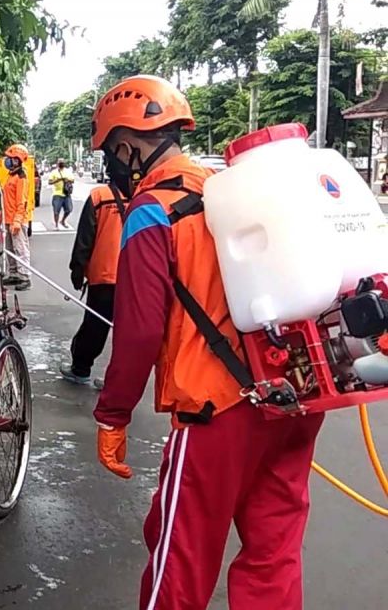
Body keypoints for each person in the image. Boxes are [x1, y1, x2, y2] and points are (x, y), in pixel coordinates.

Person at [90, 75, 324, 610]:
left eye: (111, 152)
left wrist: (113, 415)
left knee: (181, 558)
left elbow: (140, 330)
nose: (113, 164)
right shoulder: (226, 190)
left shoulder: (152, 210)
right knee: (274, 556)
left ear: (128, 146)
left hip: (217, 412)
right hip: (293, 395)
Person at [60, 183, 128, 385]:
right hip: (136, 278)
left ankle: (80, 369)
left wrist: (78, 268)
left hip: (105, 275)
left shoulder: (100, 196)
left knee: (94, 326)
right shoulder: (148, 192)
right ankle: (118, 381)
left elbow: (85, 237)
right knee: (129, 331)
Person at [0, 144, 31, 290]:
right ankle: (14, 274)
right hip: (8, 219)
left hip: (18, 221)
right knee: (10, 249)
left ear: (17, 160)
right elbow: (6, 200)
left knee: (20, 249)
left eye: (11, 158)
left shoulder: (21, 178)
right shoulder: (10, 177)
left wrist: (17, 221)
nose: (8, 160)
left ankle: (25, 277)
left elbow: (21, 202)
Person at [48, 160, 75, 230]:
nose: (61, 164)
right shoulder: (54, 172)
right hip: (57, 194)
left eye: (62, 163)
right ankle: (56, 225)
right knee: (56, 211)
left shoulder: (68, 171)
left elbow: (73, 180)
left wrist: (67, 180)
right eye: (60, 163)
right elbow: (49, 182)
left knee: (69, 209)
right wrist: (57, 180)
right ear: (57, 164)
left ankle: (62, 220)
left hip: (66, 193)